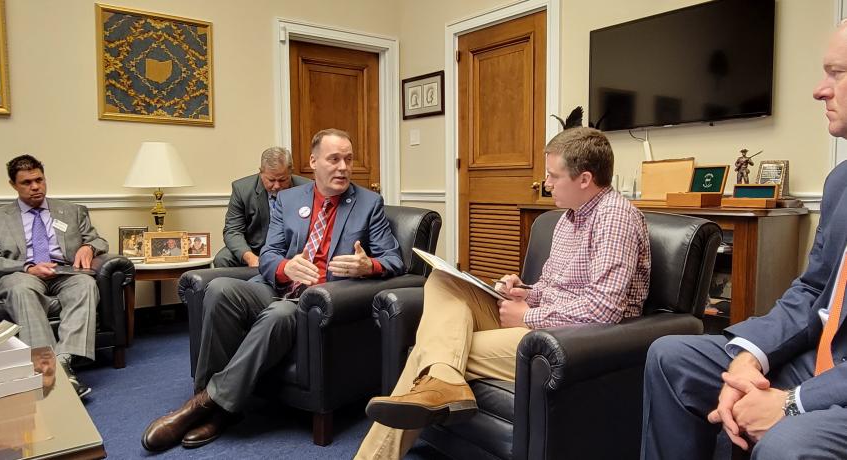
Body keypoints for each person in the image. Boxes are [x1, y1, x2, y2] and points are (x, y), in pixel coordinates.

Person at [355, 127, 651, 459]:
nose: (547, 183)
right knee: (442, 280)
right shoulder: (567, 218)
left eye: (553, 176)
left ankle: (381, 446)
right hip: (539, 323)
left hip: (571, 341)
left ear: (584, 179)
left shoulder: (615, 218)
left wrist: (528, 315)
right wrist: (523, 291)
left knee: (431, 352)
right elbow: (551, 287)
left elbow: (604, 310)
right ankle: (445, 382)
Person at [641, 23, 847, 460]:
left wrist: (794, 403)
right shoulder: (841, 182)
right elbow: (812, 290)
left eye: (836, 73)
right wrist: (751, 357)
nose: (819, 90)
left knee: (786, 443)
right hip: (816, 359)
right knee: (671, 356)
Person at [141, 128, 405, 451]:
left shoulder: (369, 203)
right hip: (275, 287)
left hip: (317, 303)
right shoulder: (289, 199)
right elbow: (268, 254)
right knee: (220, 289)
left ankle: (204, 407)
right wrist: (285, 267)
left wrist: (370, 266)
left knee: (281, 313)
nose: (343, 167)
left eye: (348, 160)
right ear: (313, 162)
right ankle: (213, 399)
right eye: (334, 159)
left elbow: (394, 259)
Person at [0, 155, 108, 398]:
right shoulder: (0, 217)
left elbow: (98, 239)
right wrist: (27, 267)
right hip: (22, 273)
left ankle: (63, 361)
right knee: (20, 289)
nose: (35, 187)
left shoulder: (71, 211)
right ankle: (47, 369)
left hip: (64, 272)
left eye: (39, 180)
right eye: (26, 182)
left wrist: (89, 247)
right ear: (13, 185)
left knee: (86, 284)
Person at [213, 147, 310, 268]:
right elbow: (232, 230)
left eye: (282, 180)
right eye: (271, 180)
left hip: (292, 250)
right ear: (261, 172)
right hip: (255, 249)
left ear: (291, 172)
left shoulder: (307, 188)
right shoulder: (242, 189)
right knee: (222, 259)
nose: (277, 186)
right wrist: (250, 257)